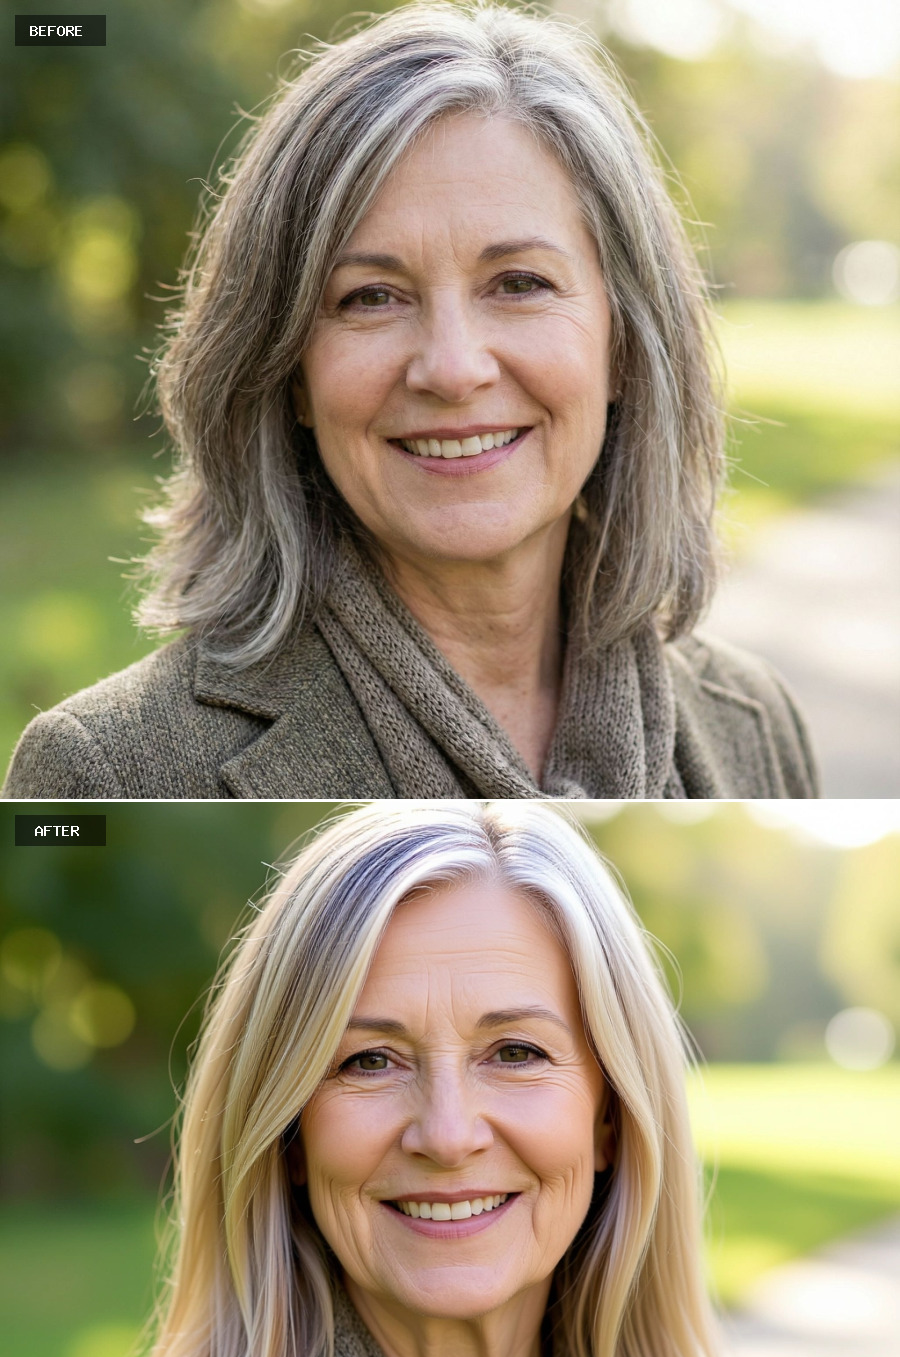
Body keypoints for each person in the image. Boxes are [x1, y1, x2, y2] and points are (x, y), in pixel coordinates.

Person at [1, 800, 842, 1357]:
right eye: (368, 1061)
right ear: (288, 1133)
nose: (445, 1134)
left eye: (515, 1052)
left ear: (610, 1119)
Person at [3, 5, 818, 802]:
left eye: (519, 283)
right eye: (371, 297)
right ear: (289, 373)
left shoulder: (754, 722)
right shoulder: (103, 772)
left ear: (626, 345)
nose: (452, 369)